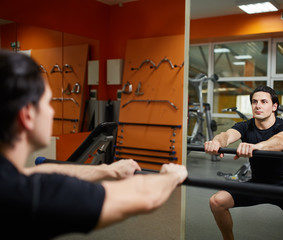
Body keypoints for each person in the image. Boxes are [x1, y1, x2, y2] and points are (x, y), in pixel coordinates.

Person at [0, 49, 188, 239]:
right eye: (48, 103)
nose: (51, 112)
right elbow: (145, 196)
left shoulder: (10, 180)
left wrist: (109, 170)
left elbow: (35, 173)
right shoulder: (23, 196)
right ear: (27, 115)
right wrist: (170, 176)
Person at [204, 85, 283, 240]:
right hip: (258, 184)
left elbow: (282, 141)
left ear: (274, 106)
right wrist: (216, 142)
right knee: (216, 201)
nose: (258, 105)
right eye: (254, 102)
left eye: (263, 101)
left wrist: (256, 147)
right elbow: (226, 135)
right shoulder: (246, 126)